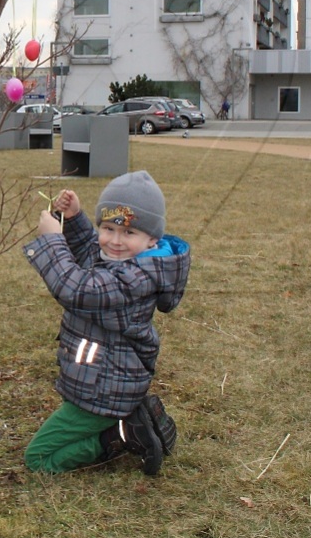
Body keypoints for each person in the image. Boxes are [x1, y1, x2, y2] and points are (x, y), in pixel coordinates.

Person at [22, 171, 190, 476]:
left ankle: (120, 435)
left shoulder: (136, 279)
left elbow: (77, 290)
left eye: (128, 233)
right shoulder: (130, 260)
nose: (115, 240)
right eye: (108, 228)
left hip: (104, 391)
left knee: (39, 459)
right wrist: (73, 218)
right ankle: (125, 421)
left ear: (152, 238)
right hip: (104, 380)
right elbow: (91, 253)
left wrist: (52, 241)